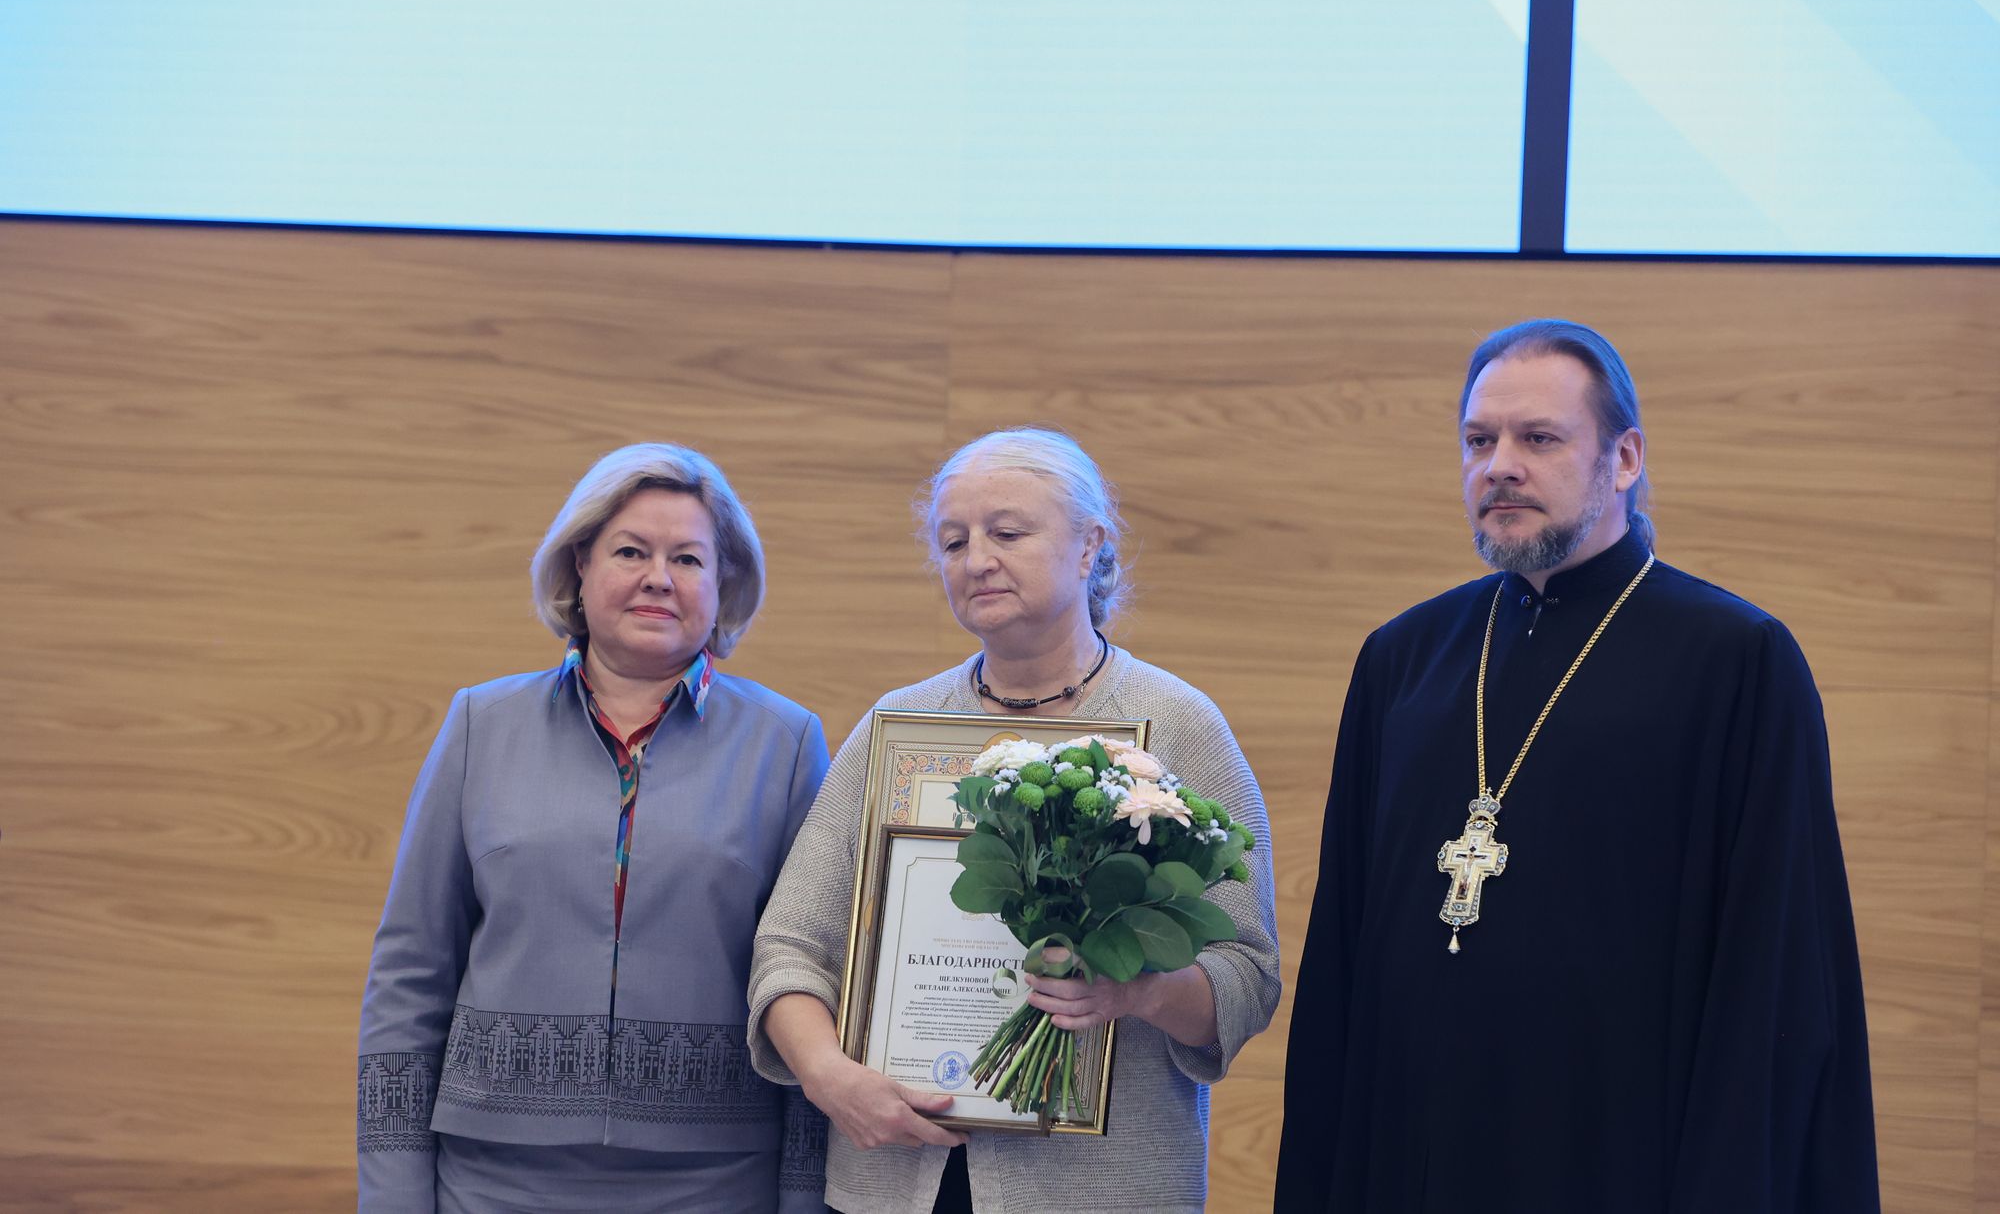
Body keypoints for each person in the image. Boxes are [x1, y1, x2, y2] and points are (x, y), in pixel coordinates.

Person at [1276, 320, 1878, 1212]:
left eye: (1539, 438)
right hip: (1413, 1154)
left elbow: (1775, 976)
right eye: (1478, 440)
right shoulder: (1402, 660)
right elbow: (1342, 961)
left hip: (1619, 1155)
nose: (1500, 466)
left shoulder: (1735, 660)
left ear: (1623, 458)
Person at [747, 428, 1280, 1214]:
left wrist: (1137, 990)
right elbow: (790, 949)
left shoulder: (1175, 724)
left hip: (1104, 1191)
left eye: (1006, 532)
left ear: (1090, 545)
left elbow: (1246, 972)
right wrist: (832, 1080)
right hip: (893, 1180)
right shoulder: (898, 727)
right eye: (953, 540)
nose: (976, 560)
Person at [356, 443, 832, 1214]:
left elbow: (813, 979)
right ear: (579, 563)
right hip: (490, 1184)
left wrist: (805, 1197)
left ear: (723, 581)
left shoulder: (786, 744)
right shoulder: (480, 723)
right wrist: (392, 1195)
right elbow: (410, 974)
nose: (658, 577)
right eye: (631, 551)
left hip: (715, 1187)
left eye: (688, 558)